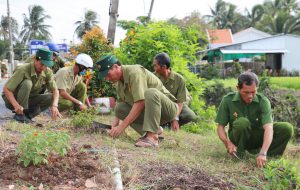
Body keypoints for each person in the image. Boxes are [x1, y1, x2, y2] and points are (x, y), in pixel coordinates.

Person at [96, 54, 179, 147]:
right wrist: (114, 126)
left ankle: (152, 137)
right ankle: (152, 132)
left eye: (107, 74)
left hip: (168, 109)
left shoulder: (135, 72)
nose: (107, 78)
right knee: (119, 108)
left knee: (150, 92)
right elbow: (120, 102)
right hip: (152, 112)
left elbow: (140, 102)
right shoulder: (118, 82)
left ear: (116, 67)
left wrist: (121, 127)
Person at [215, 72, 293, 168]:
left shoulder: (263, 101)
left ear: (257, 89)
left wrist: (263, 153)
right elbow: (220, 127)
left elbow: (268, 128)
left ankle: (270, 156)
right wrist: (227, 143)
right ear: (238, 88)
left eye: (253, 92)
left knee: (286, 128)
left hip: (258, 136)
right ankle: (239, 153)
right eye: (246, 92)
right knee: (242, 122)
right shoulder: (227, 100)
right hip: (238, 137)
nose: (250, 96)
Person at [2, 48, 61, 123]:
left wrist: (54, 105)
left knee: (51, 97)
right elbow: (7, 89)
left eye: (46, 65)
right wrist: (16, 106)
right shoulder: (23, 69)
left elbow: (55, 90)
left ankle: (27, 116)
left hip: (29, 98)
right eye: (42, 64)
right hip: (12, 99)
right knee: (27, 83)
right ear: (35, 59)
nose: (43, 67)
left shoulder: (47, 71)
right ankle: (20, 115)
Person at [153, 53, 197, 130]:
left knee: (190, 115)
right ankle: (162, 124)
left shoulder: (179, 79)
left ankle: (171, 125)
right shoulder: (153, 77)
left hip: (175, 105)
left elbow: (180, 102)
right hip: (160, 105)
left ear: (164, 67)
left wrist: (175, 119)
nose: (154, 68)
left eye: (155, 66)